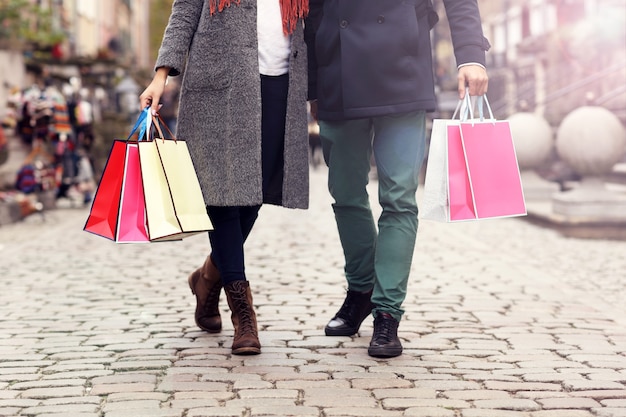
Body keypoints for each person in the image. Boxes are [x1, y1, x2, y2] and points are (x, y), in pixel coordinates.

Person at [305, 0, 490, 358]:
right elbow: (312, 11)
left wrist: (470, 55)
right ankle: (360, 292)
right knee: (345, 195)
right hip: (337, 71)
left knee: (399, 198)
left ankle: (387, 312)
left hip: (403, 71)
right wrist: (313, 84)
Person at [140, 0, 310, 355]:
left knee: (253, 193)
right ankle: (242, 312)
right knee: (221, 193)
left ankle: (207, 278)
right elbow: (185, 10)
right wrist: (161, 76)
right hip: (219, 84)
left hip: (280, 83)